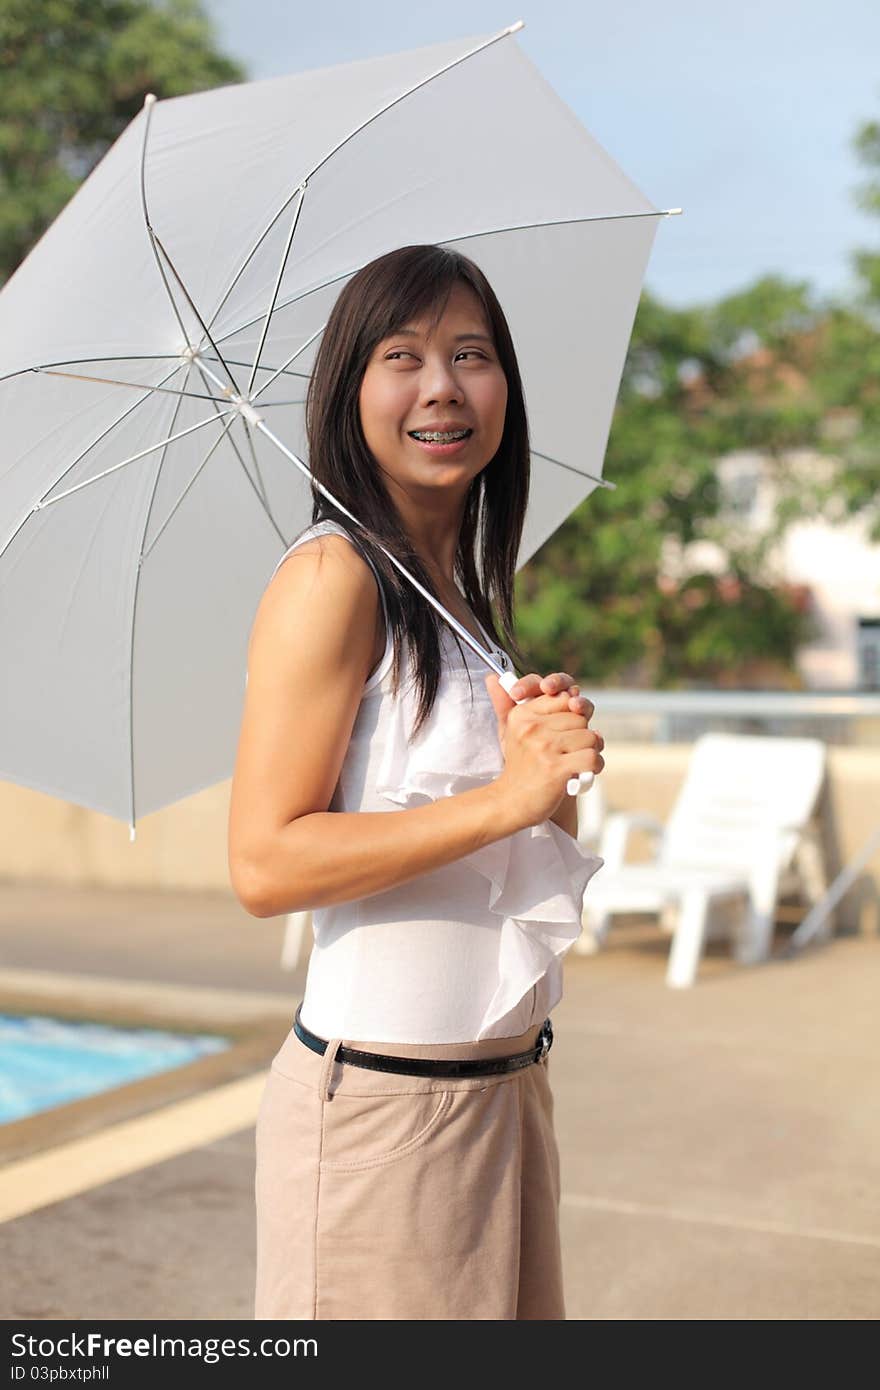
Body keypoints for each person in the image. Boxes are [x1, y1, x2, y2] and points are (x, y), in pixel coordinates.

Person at [228, 243, 605, 1321]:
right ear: (350, 394)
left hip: (504, 1096)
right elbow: (264, 862)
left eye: (472, 355)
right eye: (403, 356)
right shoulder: (331, 579)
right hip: (385, 1114)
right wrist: (505, 797)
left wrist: (549, 764)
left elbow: (494, 862)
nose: (442, 385)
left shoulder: (464, 606)